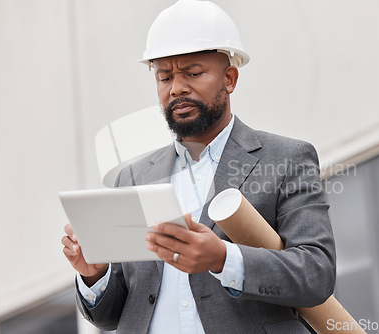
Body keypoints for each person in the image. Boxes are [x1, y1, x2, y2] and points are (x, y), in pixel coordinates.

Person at [62, 1, 336, 333]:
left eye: (192, 73)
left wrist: (223, 259)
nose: (176, 87)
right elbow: (110, 316)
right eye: (164, 76)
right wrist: (95, 273)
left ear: (230, 79)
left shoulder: (285, 159)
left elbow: (316, 273)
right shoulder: (131, 179)